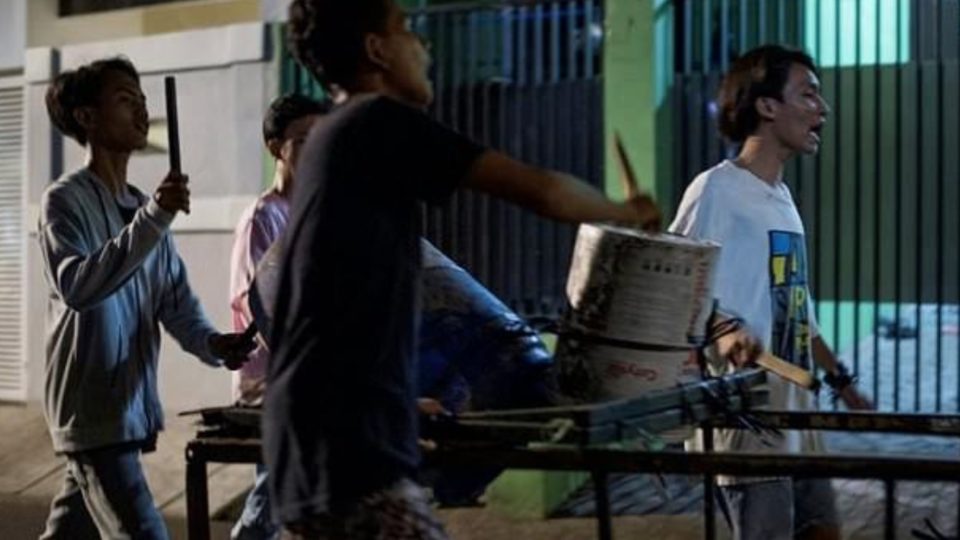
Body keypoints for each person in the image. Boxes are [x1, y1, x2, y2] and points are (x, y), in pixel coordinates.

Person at [266, 1, 759, 538]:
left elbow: (329, 304)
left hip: (321, 436)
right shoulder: (378, 121)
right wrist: (625, 212)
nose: (423, 46)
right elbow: (538, 190)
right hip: (344, 451)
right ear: (376, 49)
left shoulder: (337, 140)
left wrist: (397, 403)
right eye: (407, 30)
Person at [38, 57, 254, 539]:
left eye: (143, 102)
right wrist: (156, 216)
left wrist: (214, 344)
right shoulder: (64, 201)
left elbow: (173, 301)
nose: (140, 112)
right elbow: (78, 287)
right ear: (86, 119)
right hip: (91, 408)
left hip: (126, 410)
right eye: (124, 100)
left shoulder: (142, 208)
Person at [669, 44, 872, 540]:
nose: (821, 109)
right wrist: (723, 332)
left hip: (798, 413)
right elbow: (676, 286)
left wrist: (840, 380)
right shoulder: (716, 188)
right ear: (766, 106)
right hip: (748, 416)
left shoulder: (781, 199)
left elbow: (795, 305)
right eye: (808, 95)